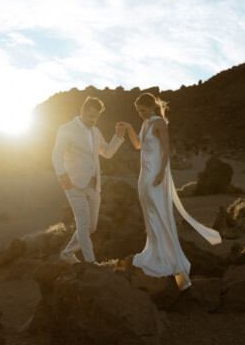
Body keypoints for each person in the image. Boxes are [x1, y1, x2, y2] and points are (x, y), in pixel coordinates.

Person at [117, 93, 221, 291]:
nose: (141, 114)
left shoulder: (159, 123)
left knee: (160, 215)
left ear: (153, 107)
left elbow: (166, 149)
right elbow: (138, 146)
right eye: (138, 111)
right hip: (143, 176)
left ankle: (170, 260)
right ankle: (155, 252)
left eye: (144, 110)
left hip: (156, 174)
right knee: (149, 215)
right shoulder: (145, 123)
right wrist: (130, 128)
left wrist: (161, 172)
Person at [52, 96, 126, 265]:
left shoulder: (96, 132)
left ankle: (68, 252)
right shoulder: (66, 129)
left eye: (97, 117)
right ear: (82, 111)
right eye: (91, 116)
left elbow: (107, 152)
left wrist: (118, 137)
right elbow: (56, 153)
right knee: (83, 223)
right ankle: (91, 262)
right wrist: (62, 174)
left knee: (92, 226)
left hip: (94, 184)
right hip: (72, 183)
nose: (94, 120)